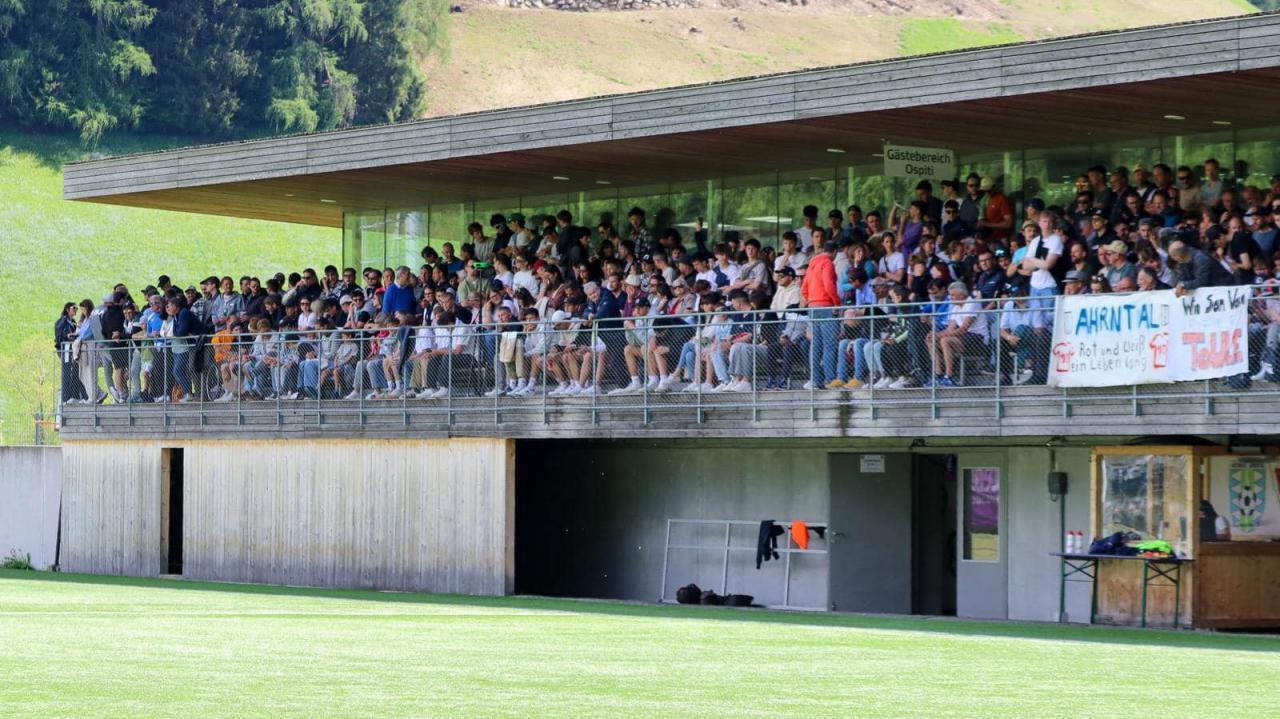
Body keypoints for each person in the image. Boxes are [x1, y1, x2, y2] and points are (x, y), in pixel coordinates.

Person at [801, 241, 841, 390]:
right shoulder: (828, 263)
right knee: (829, 345)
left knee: (815, 345)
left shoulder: (812, 264)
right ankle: (830, 380)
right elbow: (829, 284)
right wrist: (836, 303)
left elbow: (804, 289)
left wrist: (811, 299)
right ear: (835, 252)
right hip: (826, 306)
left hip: (813, 306)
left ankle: (816, 380)